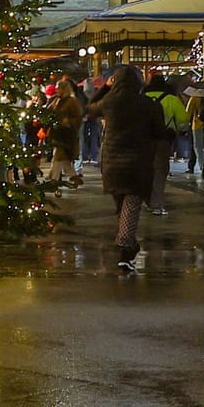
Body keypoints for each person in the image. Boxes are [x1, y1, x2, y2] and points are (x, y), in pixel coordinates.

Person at [88, 64, 171, 273]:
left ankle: (128, 246)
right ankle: (126, 248)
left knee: (121, 207)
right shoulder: (149, 104)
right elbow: (160, 133)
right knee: (132, 205)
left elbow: (89, 109)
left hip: (113, 165)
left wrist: (105, 88)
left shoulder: (109, 102)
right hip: (139, 163)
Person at [142, 72, 180, 214]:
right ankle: (156, 204)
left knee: (146, 169)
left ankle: (146, 198)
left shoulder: (142, 98)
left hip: (144, 139)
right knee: (160, 170)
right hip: (164, 139)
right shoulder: (171, 99)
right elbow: (183, 119)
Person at [44, 77, 84, 187]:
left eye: (58, 89)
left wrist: (69, 121)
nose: (56, 90)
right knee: (63, 157)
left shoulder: (72, 101)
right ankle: (73, 176)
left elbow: (78, 117)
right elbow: (49, 111)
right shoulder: (57, 100)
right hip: (58, 132)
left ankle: (54, 179)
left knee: (59, 156)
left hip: (67, 134)